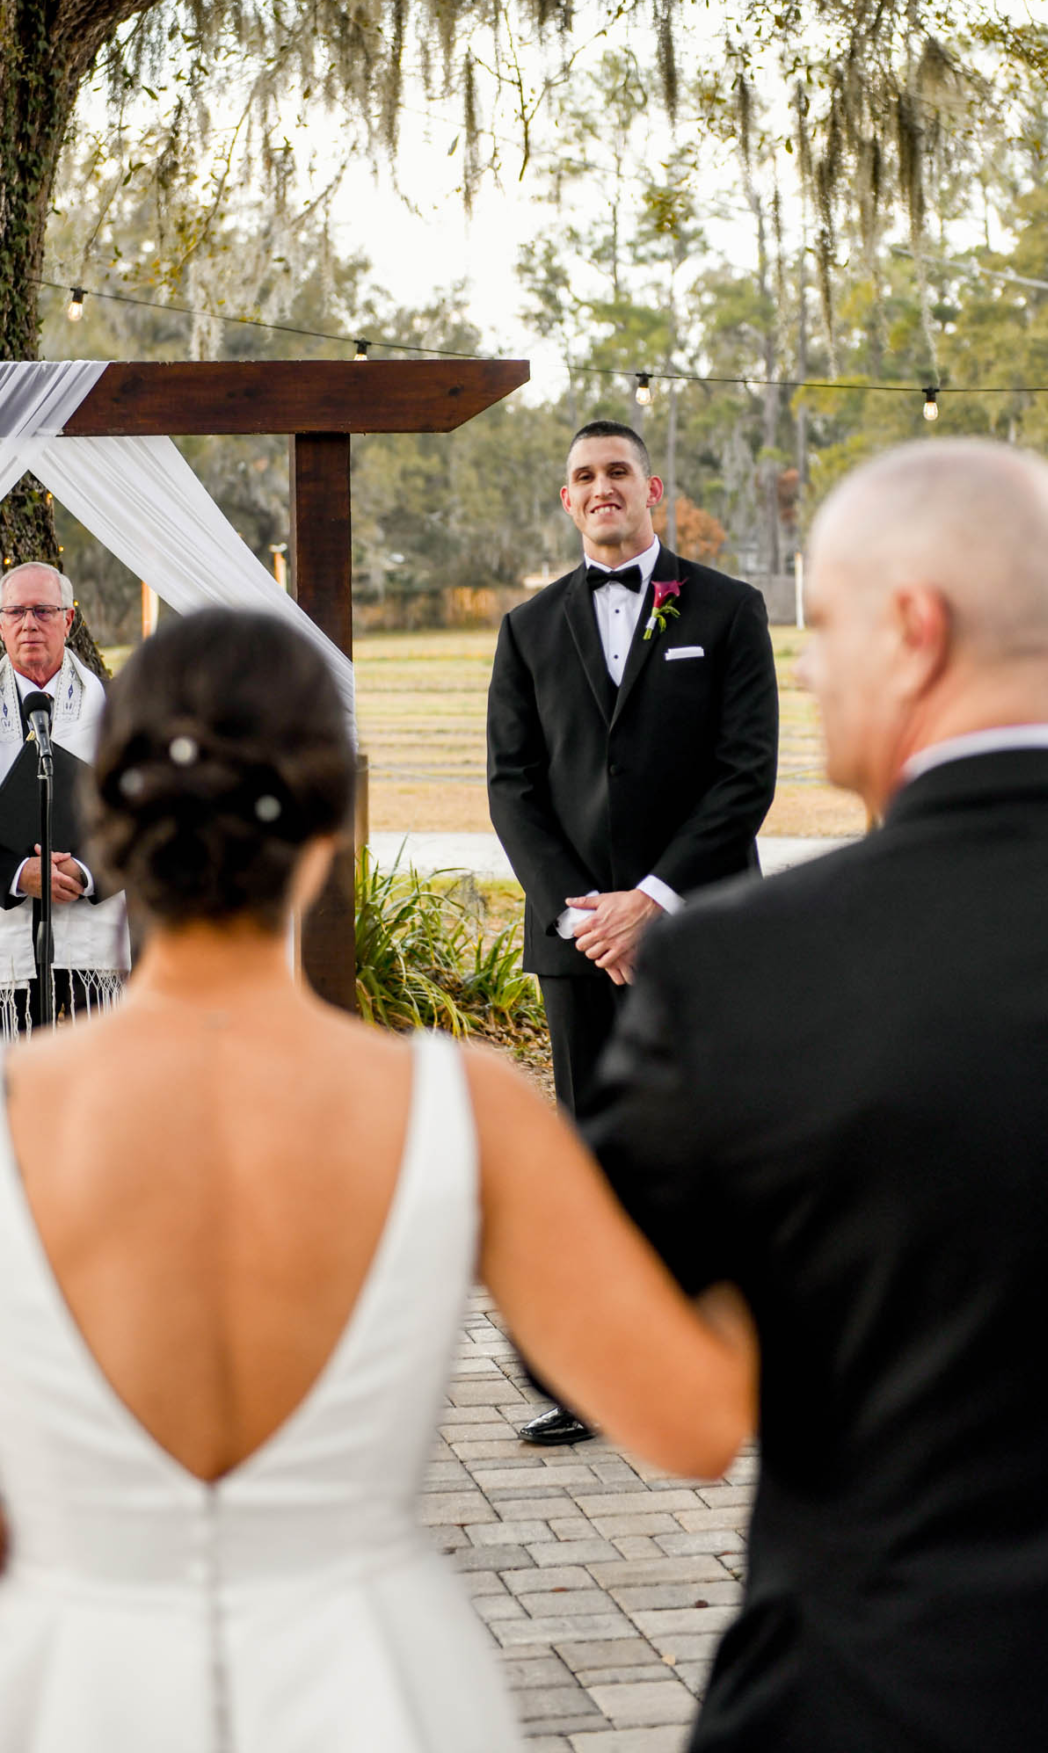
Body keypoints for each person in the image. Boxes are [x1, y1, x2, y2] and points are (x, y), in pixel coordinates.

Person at [0, 608, 756, 1753]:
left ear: (112, 814)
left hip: (74, 1694)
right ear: (325, 829)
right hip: (374, 1695)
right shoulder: (467, 1108)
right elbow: (695, 1425)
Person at [587, 439, 1048, 1753]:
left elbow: (663, 1399)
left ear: (914, 629)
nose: (806, 672)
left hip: (877, 1699)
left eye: (823, 628)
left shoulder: (737, 968)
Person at [487, 418, 778, 1444]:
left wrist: (651, 902)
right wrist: (589, 918)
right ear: (567, 502)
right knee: (590, 1156)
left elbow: (747, 774)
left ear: (653, 487)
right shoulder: (525, 630)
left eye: (617, 472)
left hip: (700, 930)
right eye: (583, 477)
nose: (601, 488)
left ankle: (730, 1357)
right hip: (577, 946)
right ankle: (594, 1376)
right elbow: (511, 789)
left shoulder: (729, 611)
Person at [0, 558, 128, 1033]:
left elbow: (142, 820)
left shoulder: (116, 711)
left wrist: (87, 872)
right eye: (15, 612)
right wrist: (17, 875)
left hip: (88, 959)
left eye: (43, 611)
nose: (28, 624)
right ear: (0, 623)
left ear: (68, 619)